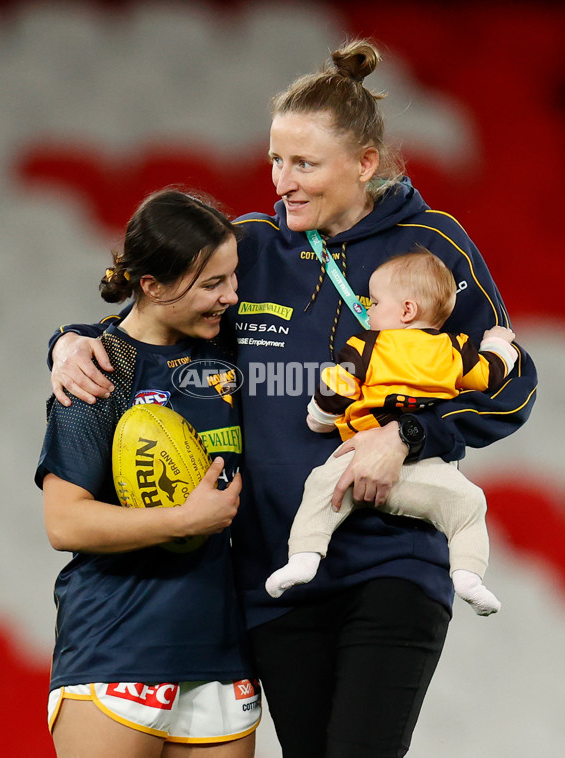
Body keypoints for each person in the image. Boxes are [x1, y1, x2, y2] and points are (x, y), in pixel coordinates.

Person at [47, 40, 537, 758]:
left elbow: (511, 387)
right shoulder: (249, 246)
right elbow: (151, 310)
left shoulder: (435, 245)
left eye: (304, 164)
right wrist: (68, 339)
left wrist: (405, 438)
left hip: (390, 564)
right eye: (276, 161)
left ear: (364, 164)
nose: (282, 181)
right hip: (275, 578)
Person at [35, 188, 261, 758]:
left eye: (232, 279)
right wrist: (184, 520)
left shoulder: (231, 351)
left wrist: (62, 336)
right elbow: (65, 523)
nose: (231, 298)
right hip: (117, 645)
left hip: (220, 652)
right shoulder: (98, 371)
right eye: (213, 284)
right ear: (153, 286)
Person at [265, 249, 518, 616]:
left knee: (320, 487)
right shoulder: (455, 347)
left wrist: (318, 417)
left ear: (406, 311)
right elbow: (488, 375)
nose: (367, 310)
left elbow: (338, 387)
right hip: (424, 465)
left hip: (357, 459)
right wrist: (499, 345)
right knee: (469, 504)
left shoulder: (367, 344)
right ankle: (468, 575)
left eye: (375, 302)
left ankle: (303, 558)